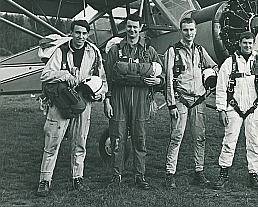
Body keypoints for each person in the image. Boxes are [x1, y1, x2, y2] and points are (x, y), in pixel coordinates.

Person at [36, 20, 107, 197]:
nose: (80, 37)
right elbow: (45, 75)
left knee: (80, 142)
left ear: (88, 34)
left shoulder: (94, 53)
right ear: (71, 33)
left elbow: (102, 80)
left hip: (83, 103)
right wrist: (64, 75)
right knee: (52, 142)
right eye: (77, 33)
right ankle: (44, 181)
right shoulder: (60, 51)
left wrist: (100, 94)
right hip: (61, 102)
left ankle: (77, 178)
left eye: (84, 33)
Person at [213, 31, 258, 190]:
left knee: (254, 142)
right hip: (234, 107)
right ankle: (223, 174)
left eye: (250, 43)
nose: (247, 46)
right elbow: (221, 87)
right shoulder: (229, 63)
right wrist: (221, 109)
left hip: (254, 108)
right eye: (245, 43)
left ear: (253, 44)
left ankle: (254, 175)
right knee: (229, 142)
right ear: (239, 43)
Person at [103, 14, 165, 190]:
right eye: (129, 27)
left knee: (139, 139)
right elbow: (107, 77)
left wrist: (158, 82)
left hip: (141, 99)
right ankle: (117, 175)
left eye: (135, 27)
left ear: (140, 28)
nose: (132, 30)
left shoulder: (149, 51)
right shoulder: (115, 50)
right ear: (126, 28)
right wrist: (107, 100)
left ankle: (140, 175)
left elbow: (162, 76)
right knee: (117, 138)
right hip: (119, 98)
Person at [164, 16, 218, 188]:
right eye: (185, 30)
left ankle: (199, 171)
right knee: (176, 137)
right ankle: (170, 174)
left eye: (191, 30)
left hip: (199, 100)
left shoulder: (200, 50)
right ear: (181, 31)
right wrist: (171, 104)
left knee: (200, 137)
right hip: (181, 99)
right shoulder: (173, 51)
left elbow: (215, 66)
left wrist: (211, 74)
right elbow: (168, 78)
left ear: (195, 31)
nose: (189, 33)